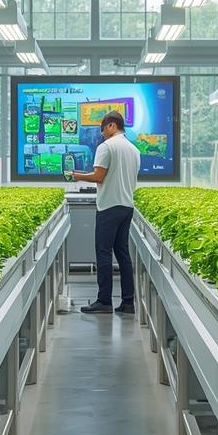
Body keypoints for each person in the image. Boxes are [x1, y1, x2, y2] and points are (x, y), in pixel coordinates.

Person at [69, 111, 141, 314]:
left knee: (103, 253)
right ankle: (128, 302)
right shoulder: (134, 150)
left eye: (103, 129)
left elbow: (99, 176)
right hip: (127, 206)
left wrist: (76, 175)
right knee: (123, 254)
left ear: (111, 125)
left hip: (109, 206)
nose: (101, 134)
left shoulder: (106, 146)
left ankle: (104, 301)